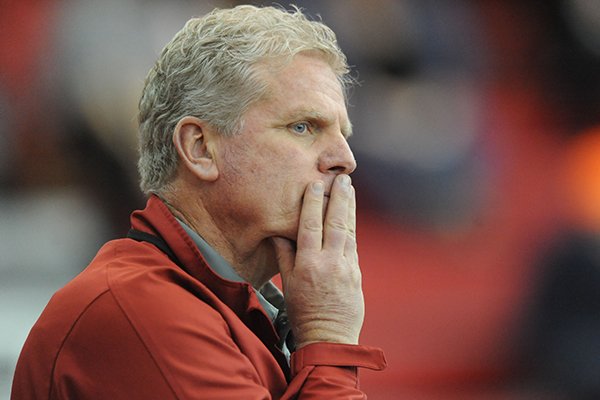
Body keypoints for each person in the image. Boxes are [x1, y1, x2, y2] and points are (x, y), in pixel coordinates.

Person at [11, 4, 386, 399]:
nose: (345, 158)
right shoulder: (138, 307)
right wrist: (327, 340)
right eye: (303, 126)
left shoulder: (232, 312)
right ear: (200, 148)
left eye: (342, 133)